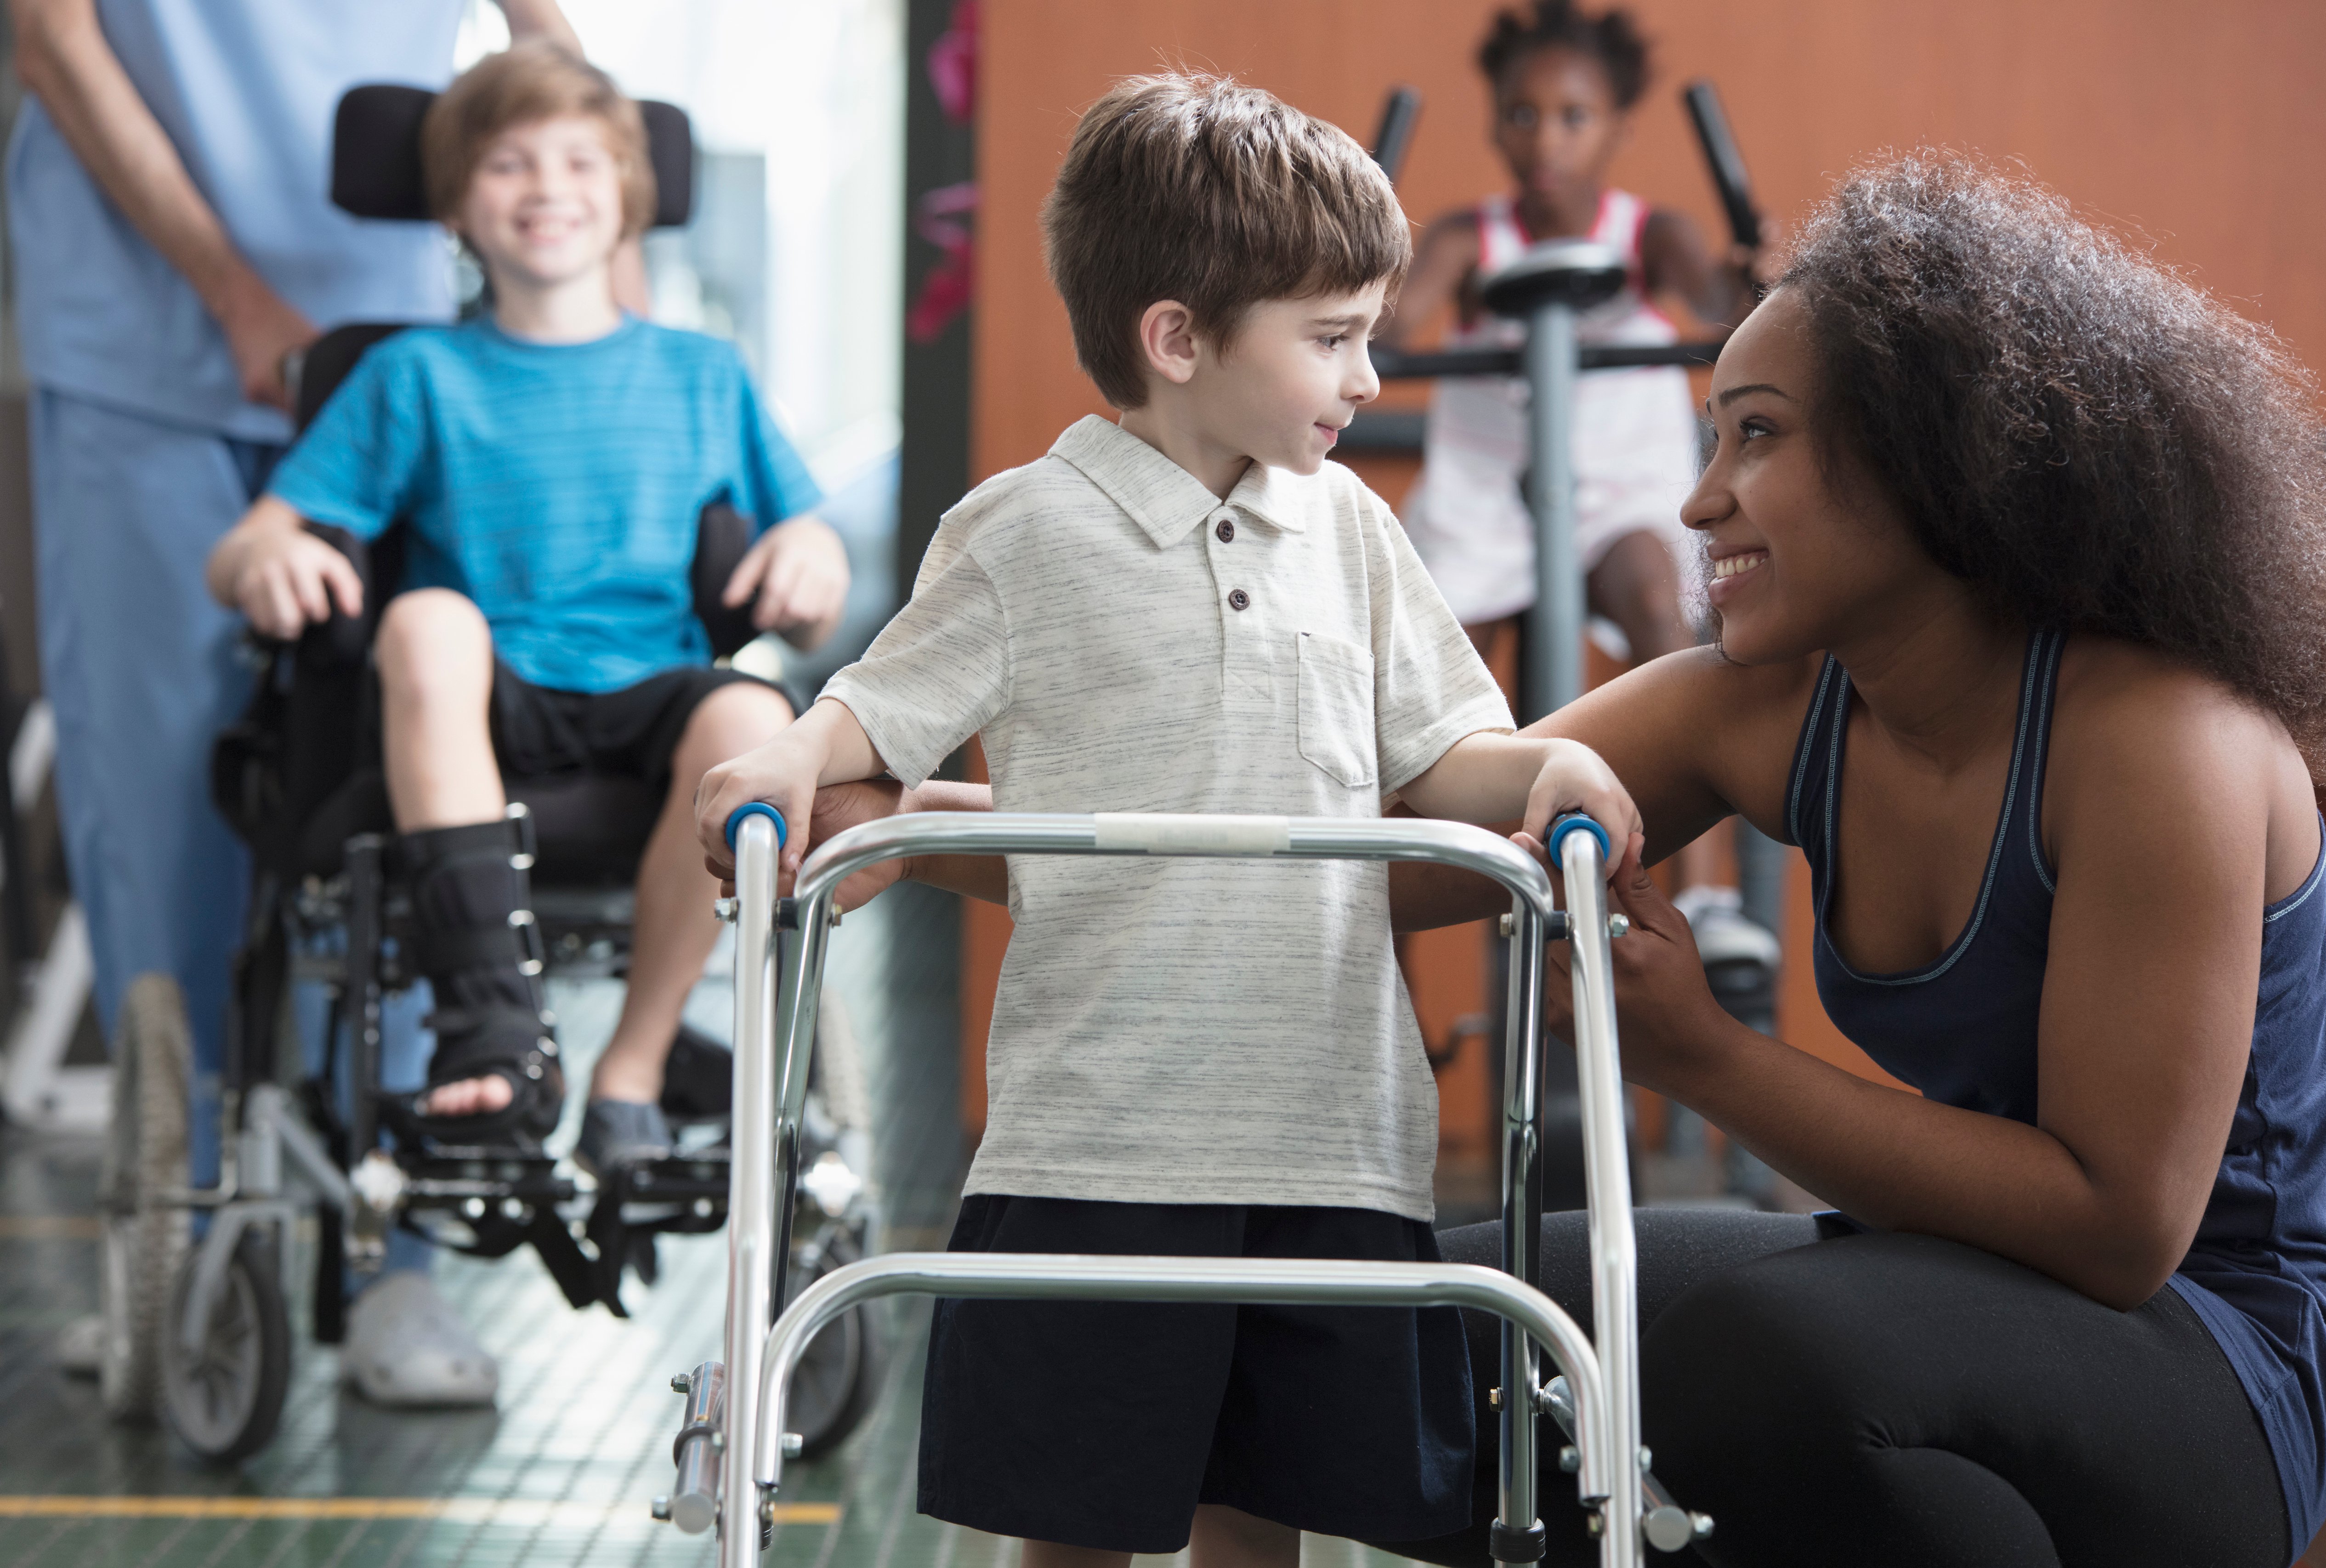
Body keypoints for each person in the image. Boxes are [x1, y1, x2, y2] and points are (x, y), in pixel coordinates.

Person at [801, 154, 2326, 1564]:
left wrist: (1707, 1057)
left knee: (1765, 1365)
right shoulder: (1763, 708)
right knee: (1372, 1329)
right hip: (1929, 1280)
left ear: (1937, 457)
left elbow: (2115, 1223)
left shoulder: (2166, 742)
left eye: (1757, 435)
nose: (1698, 496)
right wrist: (932, 833)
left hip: (2216, 1356)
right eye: (1711, 435)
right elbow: (1355, 860)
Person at [694, 74, 1638, 1568]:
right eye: (1332, 338)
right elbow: (876, 711)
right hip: (1098, 1143)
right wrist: (792, 754)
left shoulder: (1352, 530)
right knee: (1072, 1526)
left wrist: (1545, 772)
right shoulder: (1023, 530)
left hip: (1331, 1139)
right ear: (1180, 339)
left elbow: (1448, 751)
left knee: (1262, 1522)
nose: (1369, 377)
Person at [206, 42, 844, 1383]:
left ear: (629, 196)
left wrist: (808, 559)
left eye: (577, 163)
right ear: (455, 205)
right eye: (508, 164)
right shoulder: (411, 376)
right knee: (425, 616)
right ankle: (493, 1020)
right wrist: (262, 558)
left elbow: (815, 555)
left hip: (654, 704)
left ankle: (630, 1070)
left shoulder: (703, 374)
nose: (546, 188)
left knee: (755, 711)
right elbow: (259, 535)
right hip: (486, 705)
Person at [7, 0, 587, 1406]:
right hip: (142, 334)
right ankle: (186, 1235)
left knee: (400, 788)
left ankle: (395, 1256)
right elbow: (52, 35)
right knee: (162, 808)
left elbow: (551, 41)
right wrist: (234, 298)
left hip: (390, 328)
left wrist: (591, 280)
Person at [1384, 1, 1781, 1174]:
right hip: (1488, 490)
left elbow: (1710, 298)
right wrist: (1362, 270)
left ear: (1613, 128)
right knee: (1420, 695)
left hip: (1609, 485)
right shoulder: (1470, 235)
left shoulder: (1646, 231)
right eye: (1522, 116)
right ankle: (1386, 932)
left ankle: (1703, 899)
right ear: (1495, 126)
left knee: (1657, 595)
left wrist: (1747, 284)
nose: (1545, 139)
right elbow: (1402, 316)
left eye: (1572, 117)